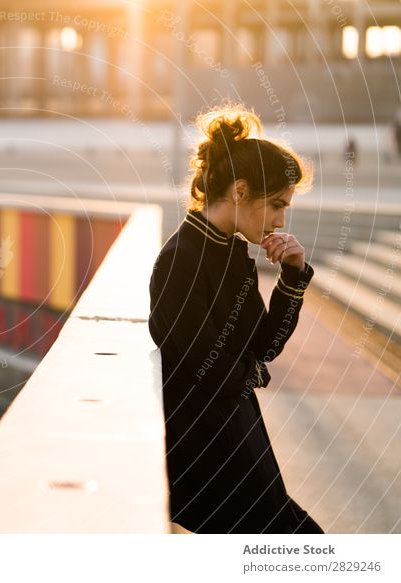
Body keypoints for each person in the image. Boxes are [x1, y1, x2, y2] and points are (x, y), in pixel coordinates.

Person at [148, 104, 324, 534]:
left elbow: (264, 347)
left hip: (238, 434)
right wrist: (253, 374)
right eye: (277, 205)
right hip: (210, 449)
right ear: (240, 191)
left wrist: (294, 277)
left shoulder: (232, 254)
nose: (282, 220)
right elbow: (210, 370)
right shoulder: (181, 259)